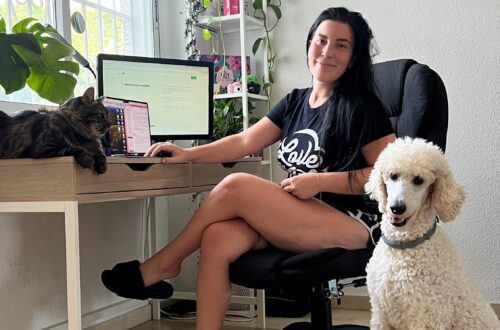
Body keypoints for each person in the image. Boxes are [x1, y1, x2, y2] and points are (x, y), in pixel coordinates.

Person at [101, 7, 395, 330]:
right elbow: (244, 142)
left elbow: (390, 175)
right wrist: (187, 154)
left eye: (341, 45)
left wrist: (319, 181)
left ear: (353, 57)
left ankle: (163, 264)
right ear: (309, 43)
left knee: (236, 184)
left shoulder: (363, 107)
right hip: (301, 215)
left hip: (354, 225)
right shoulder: (296, 101)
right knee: (216, 237)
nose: (327, 52)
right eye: (321, 40)